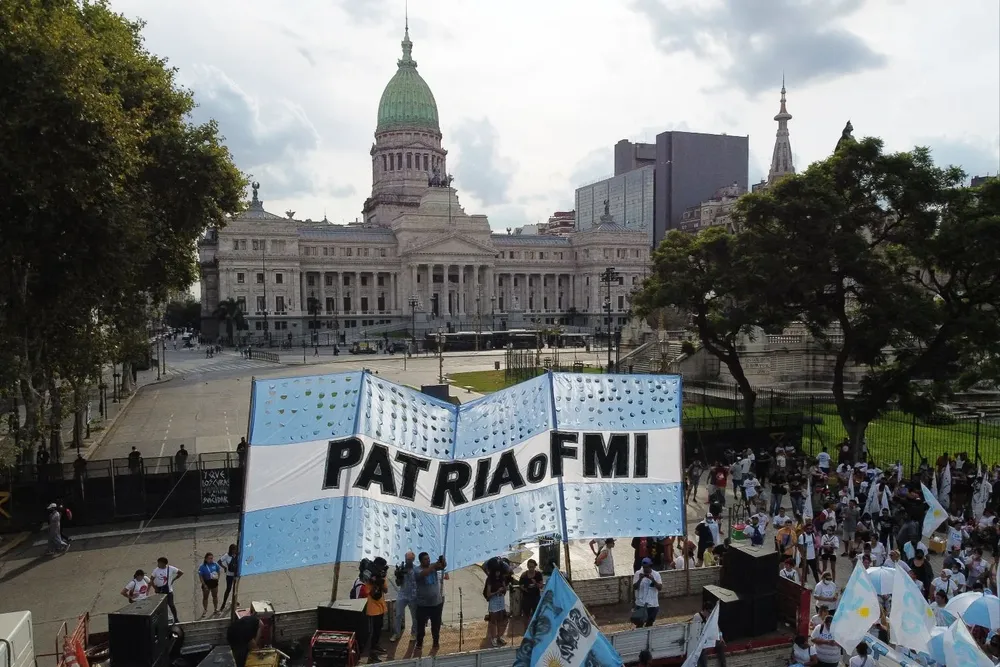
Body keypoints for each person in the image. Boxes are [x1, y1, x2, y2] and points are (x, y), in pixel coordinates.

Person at [414, 553, 446, 650]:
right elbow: (424, 573)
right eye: (425, 559)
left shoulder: (433, 567)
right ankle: (419, 642)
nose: (428, 560)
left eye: (428, 559)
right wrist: (433, 565)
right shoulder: (417, 570)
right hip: (422, 605)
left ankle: (435, 642)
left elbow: (443, 566)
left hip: (436, 603)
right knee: (420, 626)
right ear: (420, 561)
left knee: (436, 625)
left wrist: (443, 561)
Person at [686, 601, 725, 667]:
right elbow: (695, 633)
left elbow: (716, 626)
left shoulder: (709, 617)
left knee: (720, 644)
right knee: (702, 652)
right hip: (699, 642)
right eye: (709, 612)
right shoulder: (697, 617)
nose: (710, 614)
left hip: (707, 640)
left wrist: (720, 636)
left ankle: (722, 665)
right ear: (705, 610)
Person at [390, 552, 417, 643]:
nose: (408, 561)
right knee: (398, 615)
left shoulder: (416, 569)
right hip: (402, 594)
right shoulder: (401, 568)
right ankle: (396, 633)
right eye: (406, 559)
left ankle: (414, 633)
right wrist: (398, 576)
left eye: (409, 559)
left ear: (413, 559)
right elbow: (398, 584)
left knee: (415, 616)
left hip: (413, 595)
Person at [364, 563, 388, 659]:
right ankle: (372, 653)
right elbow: (370, 593)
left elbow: (385, 590)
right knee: (374, 631)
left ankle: (376, 646)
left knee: (379, 629)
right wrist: (374, 583)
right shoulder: (368, 581)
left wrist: (380, 582)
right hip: (373, 609)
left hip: (381, 607)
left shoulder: (381, 578)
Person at [631, 558, 662, 628]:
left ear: (650, 566)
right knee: (639, 624)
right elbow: (635, 587)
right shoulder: (638, 573)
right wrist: (640, 579)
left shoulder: (656, 574)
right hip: (640, 604)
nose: (645, 569)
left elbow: (660, 588)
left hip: (653, 604)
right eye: (643, 567)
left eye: (647, 567)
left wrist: (653, 580)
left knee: (649, 624)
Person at [151, 557, 183, 622]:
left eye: (159, 563)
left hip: (168, 590)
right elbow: (151, 580)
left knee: (171, 605)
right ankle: (164, 619)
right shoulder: (156, 570)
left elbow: (181, 572)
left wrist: (173, 579)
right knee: (161, 607)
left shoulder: (170, 568)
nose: (158, 564)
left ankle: (176, 618)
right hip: (160, 591)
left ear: (163, 563)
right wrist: (155, 588)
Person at [484, 567, 509, 647]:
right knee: (493, 621)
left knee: (502, 620)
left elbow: (505, 589)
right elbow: (488, 594)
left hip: (501, 601)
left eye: (499, 572)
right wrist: (497, 591)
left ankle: (499, 636)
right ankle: (493, 637)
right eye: (496, 572)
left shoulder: (502, 578)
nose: (498, 573)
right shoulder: (490, 580)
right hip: (494, 601)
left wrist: (504, 589)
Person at [198, 552, 222, 617]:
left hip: (214, 582)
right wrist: (204, 584)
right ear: (206, 559)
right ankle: (205, 609)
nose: (211, 560)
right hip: (206, 583)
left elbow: (218, 571)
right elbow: (201, 577)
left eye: (212, 558)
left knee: (215, 596)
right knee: (205, 597)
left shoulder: (215, 564)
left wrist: (218, 579)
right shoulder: (202, 567)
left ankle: (216, 609)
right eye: (209, 558)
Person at [219, 544, 239, 609]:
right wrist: (224, 567)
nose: (235, 551)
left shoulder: (238, 555)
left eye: (236, 549)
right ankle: (223, 603)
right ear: (231, 550)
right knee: (228, 589)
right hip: (229, 575)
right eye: (234, 549)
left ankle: (234, 601)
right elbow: (219, 561)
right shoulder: (227, 556)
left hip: (236, 574)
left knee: (235, 589)